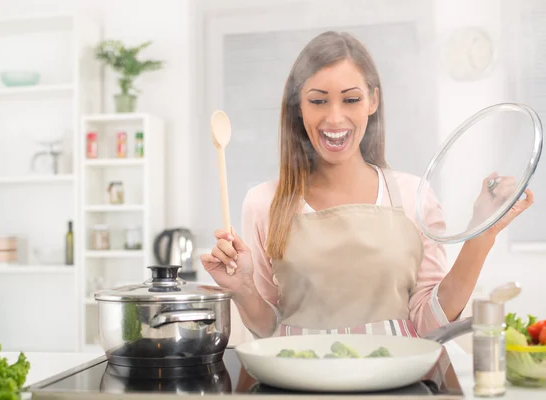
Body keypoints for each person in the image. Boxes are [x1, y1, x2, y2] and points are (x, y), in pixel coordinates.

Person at [200, 31, 534, 340]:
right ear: (298, 107)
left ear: (372, 101)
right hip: (298, 382)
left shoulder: (412, 196)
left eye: (350, 99)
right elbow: (267, 330)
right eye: (318, 101)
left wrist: (482, 232)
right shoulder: (263, 203)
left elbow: (428, 323)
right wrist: (243, 288)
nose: (334, 118)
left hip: (394, 383)